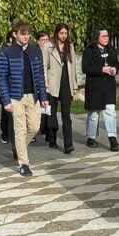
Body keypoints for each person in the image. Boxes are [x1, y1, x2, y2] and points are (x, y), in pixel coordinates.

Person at [0, 22, 49, 176]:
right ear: (15, 34)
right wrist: (6, 100)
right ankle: (24, 163)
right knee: (20, 129)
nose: (26, 36)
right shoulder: (7, 52)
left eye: (27, 34)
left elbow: (40, 75)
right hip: (15, 97)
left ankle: (19, 148)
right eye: (22, 33)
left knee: (34, 127)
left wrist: (43, 96)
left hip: (33, 96)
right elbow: (2, 78)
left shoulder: (35, 51)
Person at [81, 28, 119, 151]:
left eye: (107, 36)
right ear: (97, 37)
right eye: (103, 36)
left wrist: (114, 69)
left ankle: (112, 139)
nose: (106, 38)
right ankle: (91, 137)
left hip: (108, 85)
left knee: (110, 111)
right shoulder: (89, 51)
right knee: (94, 114)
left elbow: (117, 63)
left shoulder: (111, 49)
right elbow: (85, 68)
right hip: (95, 86)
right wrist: (101, 69)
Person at [41, 24, 78, 153]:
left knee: (66, 115)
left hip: (66, 83)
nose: (64, 36)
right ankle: (52, 139)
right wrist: (45, 84)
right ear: (56, 33)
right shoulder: (48, 46)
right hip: (52, 83)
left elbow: (73, 67)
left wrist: (74, 86)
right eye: (61, 33)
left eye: (66, 33)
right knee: (52, 114)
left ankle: (69, 144)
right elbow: (44, 66)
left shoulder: (70, 47)